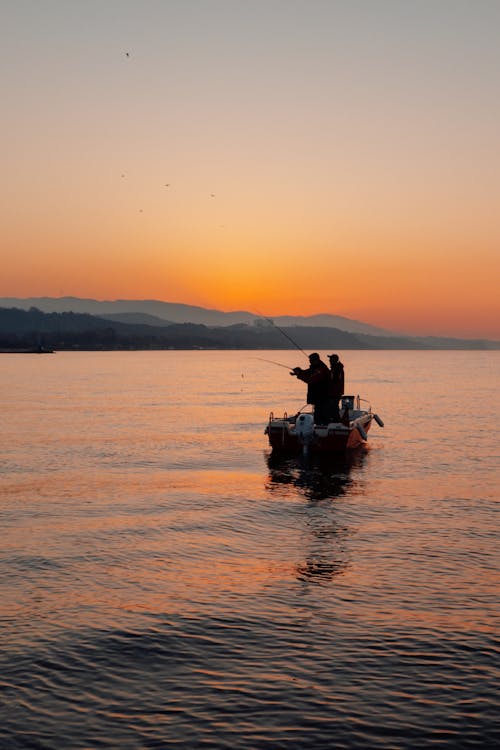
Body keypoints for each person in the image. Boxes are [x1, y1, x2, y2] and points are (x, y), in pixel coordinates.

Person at [290, 352, 330, 425]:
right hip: (317, 394)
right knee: (318, 411)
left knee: (320, 412)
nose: (309, 361)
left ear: (316, 360)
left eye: (311, 360)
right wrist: (299, 371)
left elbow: (310, 380)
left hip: (322, 395)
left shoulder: (321, 369)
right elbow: (307, 372)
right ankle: (319, 425)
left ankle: (321, 427)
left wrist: (299, 375)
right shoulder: (315, 367)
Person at [328, 353, 345, 422]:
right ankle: (334, 420)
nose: (329, 360)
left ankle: (336, 420)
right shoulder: (335, 368)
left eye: (330, 359)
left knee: (334, 406)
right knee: (333, 406)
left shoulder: (337, 369)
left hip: (335, 392)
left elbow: (335, 380)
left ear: (334, 360)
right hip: (334, 392)